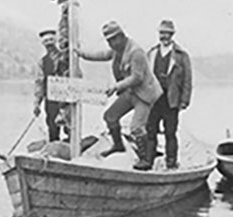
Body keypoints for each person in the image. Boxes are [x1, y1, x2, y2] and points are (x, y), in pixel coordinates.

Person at [77, 21, 162, 170]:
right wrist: (82, 54)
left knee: (136, 127)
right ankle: (118, 145)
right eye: (108, 41)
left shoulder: (136, 52)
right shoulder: (117, 50)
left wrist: (116, 86)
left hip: (145, 95)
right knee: (110, 116)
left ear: (122, 36)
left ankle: (146, 160)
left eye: (114, 39)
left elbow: (137, 78)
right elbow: (102, 55)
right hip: (131, 92)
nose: (111, 44)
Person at [145, 19, 193, 169]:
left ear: (172, 35)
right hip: (154, 99)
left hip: (171, 100)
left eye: (167, 33)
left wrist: (184, 101)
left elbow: (187, 80)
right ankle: (148, 161)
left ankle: (171, 162)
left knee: (170, 132)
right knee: (150, 129)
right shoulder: (151, 53)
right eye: (161, 33)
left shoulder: (181, 55)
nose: (164, 36)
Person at [33, 29, 67, 142]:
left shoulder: (66, 57)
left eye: (51, 41)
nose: (49, 44)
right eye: (46, 42)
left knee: (69, 125)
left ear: (55, 41)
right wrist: (37, 103)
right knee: (52, 126)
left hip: (67, 98)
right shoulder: (42, 62)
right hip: (51, 99)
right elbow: (39, 82)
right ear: (43, 44)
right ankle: (54, 148)